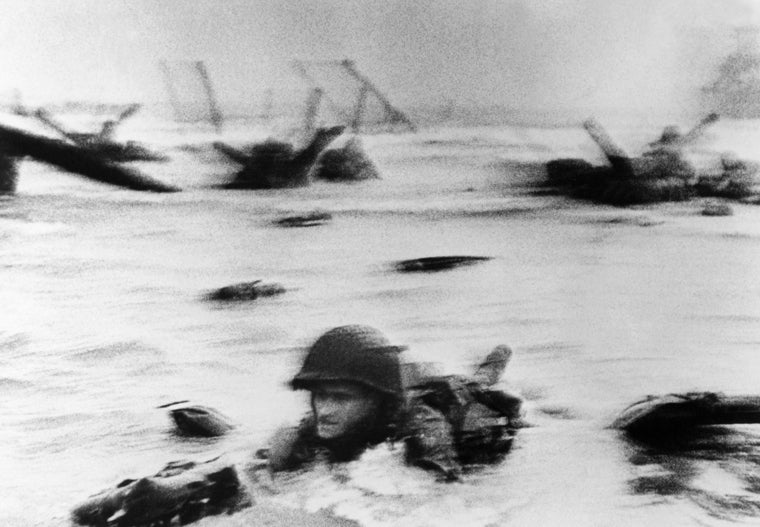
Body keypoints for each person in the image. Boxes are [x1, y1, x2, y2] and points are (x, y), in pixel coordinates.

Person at [254, 325, 522, 482]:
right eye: (320, 395)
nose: (324, 410)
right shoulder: (319, 422)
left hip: (464, 418)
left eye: (341, 398)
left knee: (479, 388)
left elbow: (443, 497)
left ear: (376, 398)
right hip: (408, 386)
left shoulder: (422, 424)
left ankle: (495, 363)